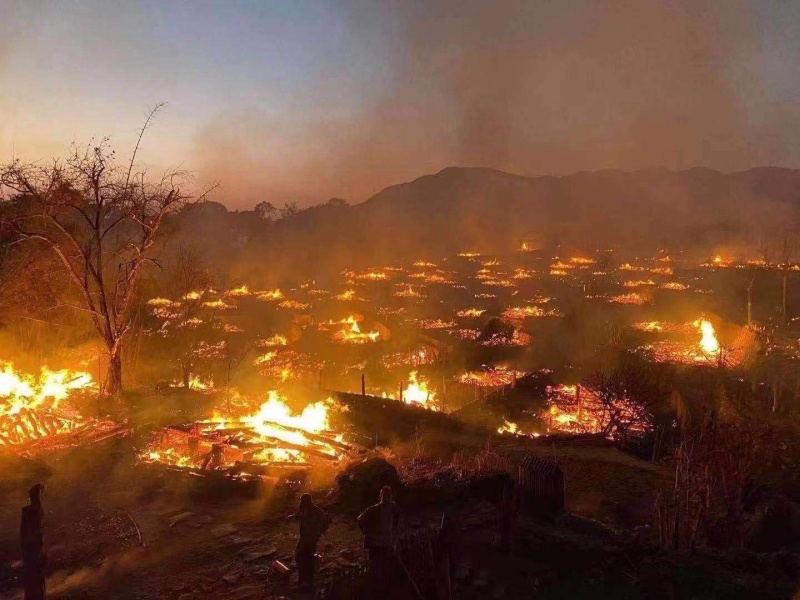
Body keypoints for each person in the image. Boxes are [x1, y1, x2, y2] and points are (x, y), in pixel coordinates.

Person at [357, 486, 401, 589]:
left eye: (388, 496)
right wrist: (367, 533)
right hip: (376, 544)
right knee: (376, 567)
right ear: (381, 496)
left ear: (391, 496)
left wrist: (394, 533)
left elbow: (396, 521)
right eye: (384, 495)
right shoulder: (374, 509)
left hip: (388, 543)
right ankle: (376, 587)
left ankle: (385, 587)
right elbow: (360, 519)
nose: (386, 498)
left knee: (387, 566)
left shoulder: (393, 508)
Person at [290, 493, 331, 590]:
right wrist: (291, 517)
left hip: (311, 539)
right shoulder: (304, 509)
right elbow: (300, 515)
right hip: (304, 538)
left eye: (302, 501)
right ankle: (303, 580)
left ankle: (307, 582)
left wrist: (318, 531)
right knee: (300, 557)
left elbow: (327, 520)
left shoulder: (316, 511)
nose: (301, 503)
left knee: (306, 558)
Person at [20, 483, 46, 600]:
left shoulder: (35, 511)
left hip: (34, 550)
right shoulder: (31, 512)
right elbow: (30, 533)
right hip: (32, 551)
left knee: (35, 579)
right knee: (35, 578)